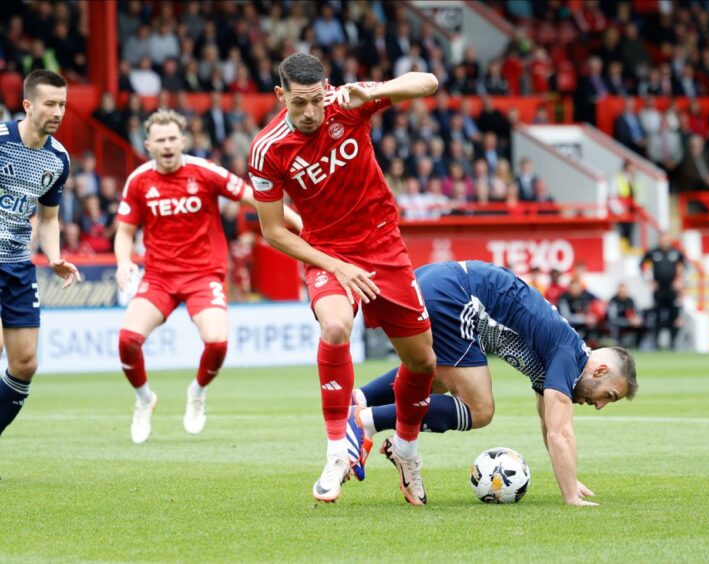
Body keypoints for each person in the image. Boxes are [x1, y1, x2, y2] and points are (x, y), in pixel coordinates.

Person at [248, 53, 439, 505]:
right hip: (327, 253)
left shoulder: (348, 103)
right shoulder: (267, 149)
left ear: (326, 89)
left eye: (316, 100)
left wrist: (375, 91)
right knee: (335, 326)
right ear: (280, 96)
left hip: (383, 245)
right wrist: (335, 266)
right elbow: (273, 230)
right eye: (299, 104)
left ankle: (407, 452)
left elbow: (428, 82)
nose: (310, 112)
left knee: (423, 363)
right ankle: (338, 451)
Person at [348, 261, 638, 506]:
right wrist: (570, 496)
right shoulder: (568, 357)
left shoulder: (562, 353)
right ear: (599, 371)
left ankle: (358, 402)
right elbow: (561, 433)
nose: (599, 405)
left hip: (433, 280)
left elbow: (549, 424)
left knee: (434, 378)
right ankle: (367, 421)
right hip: (457, 294)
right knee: (480, 409)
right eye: (608, 396)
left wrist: (570, 477)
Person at [114, 109, 302, 444]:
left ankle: (197, 392)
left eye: (173, 138)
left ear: (183, 141)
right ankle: (144, 399)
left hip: (204, 274)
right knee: (128, 340)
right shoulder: (139, 181)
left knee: (216, 342)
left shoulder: (203, 171)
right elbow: (125, 231)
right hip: (159, 277)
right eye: (161, 140)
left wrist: (294, 220)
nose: (168, 145)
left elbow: (253, 195)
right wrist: (122, 261)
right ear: (148, 145)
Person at [0, 70, 80, 438]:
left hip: (18, 264)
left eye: (63, 104)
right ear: (28, 105)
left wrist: (55, 256)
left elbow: (48, 220)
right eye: (50, 103)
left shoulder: (58, 160)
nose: (59, 111)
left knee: (25, 363)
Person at [641, 233, 686, 350]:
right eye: (662, 239)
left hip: (672, 290)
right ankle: (656, 343)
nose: (664, 241)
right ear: (659, 240)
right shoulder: (653, 252)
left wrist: (679, 280)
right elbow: (641, 265)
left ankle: (672, 343)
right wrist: (649, 280)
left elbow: (684, 266)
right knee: (657, 316)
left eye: (667, 239)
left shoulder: (676, 253)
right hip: (659, 290)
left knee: (674, 316)